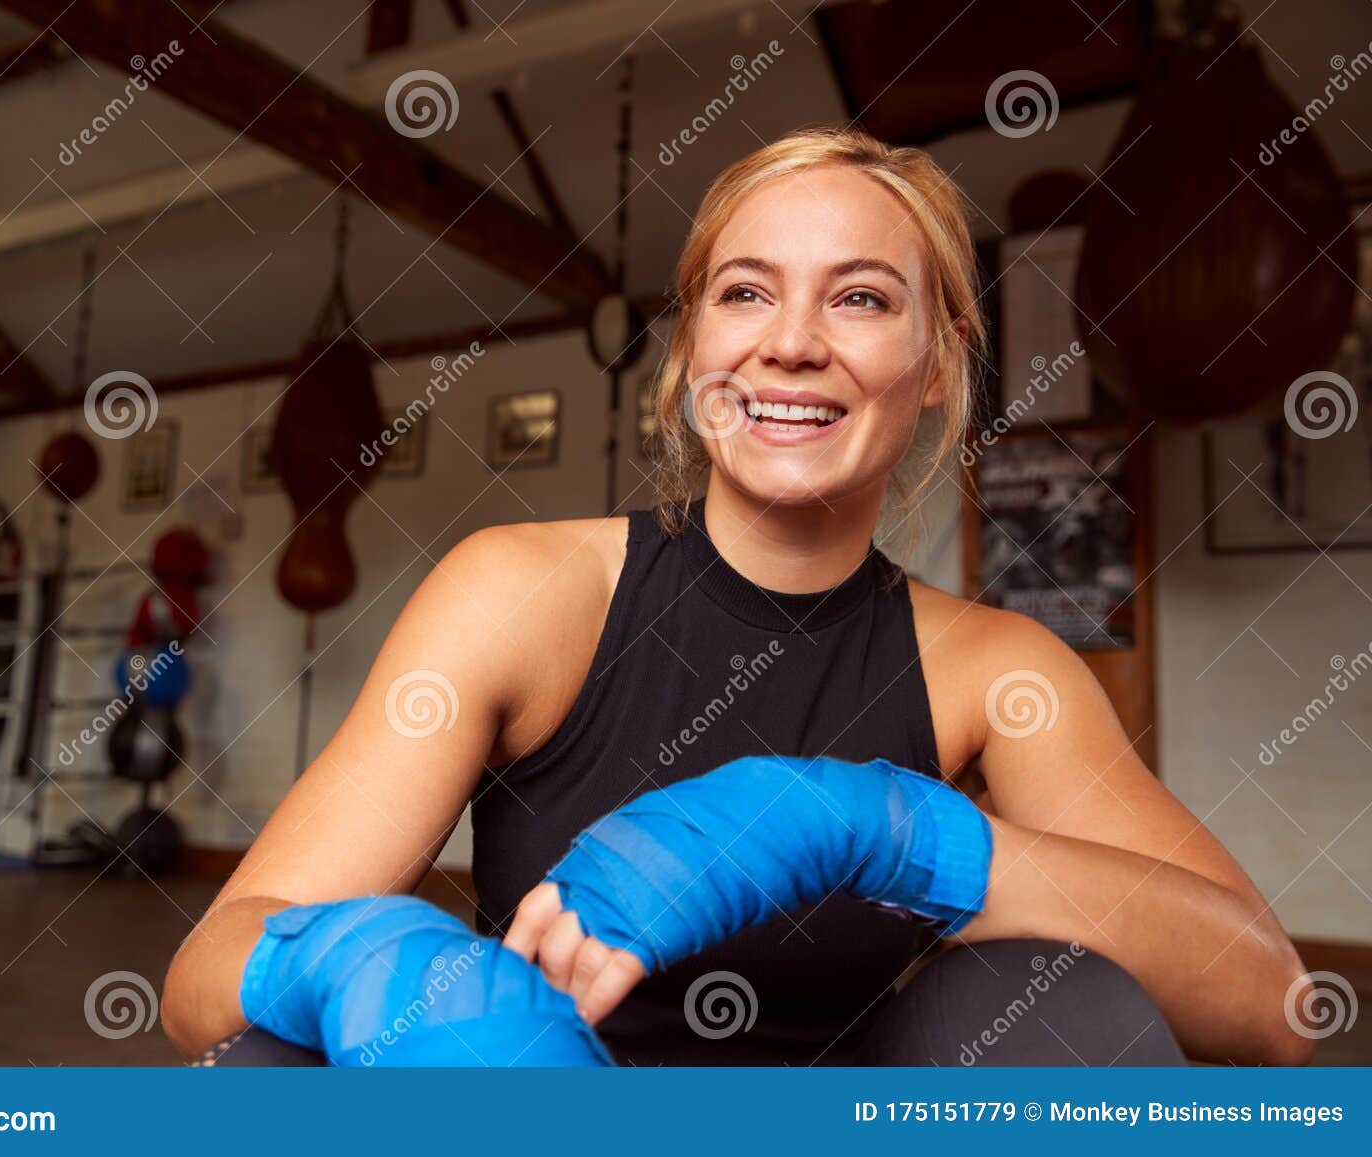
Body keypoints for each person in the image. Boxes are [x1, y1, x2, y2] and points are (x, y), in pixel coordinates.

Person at [162, 127, 1311, 1067]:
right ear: (690, 355)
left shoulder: (991, 671)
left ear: (939, 365)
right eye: (745, 292)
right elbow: (205, 972)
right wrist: (369, 968)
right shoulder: (522, 593)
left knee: (1053, 1005)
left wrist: (884, 831)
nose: (793, 344)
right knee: (270, 1058)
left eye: (859, 299)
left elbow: (1272, 1005)